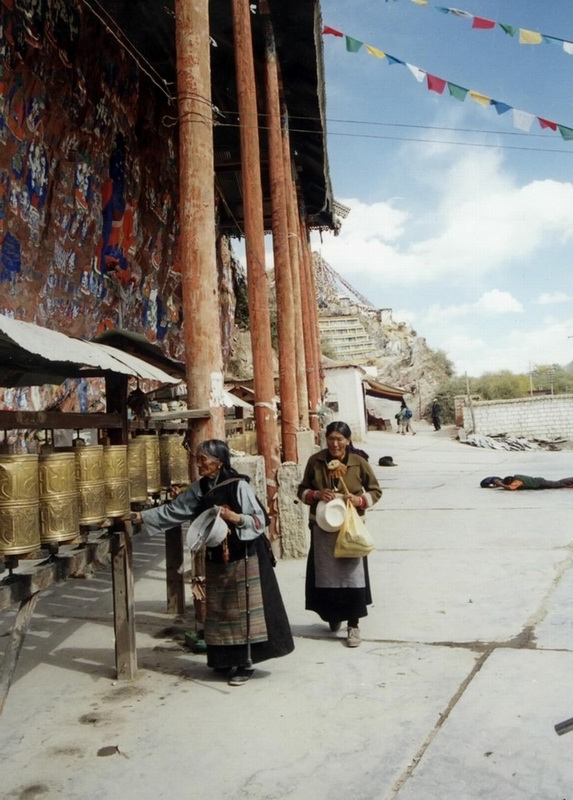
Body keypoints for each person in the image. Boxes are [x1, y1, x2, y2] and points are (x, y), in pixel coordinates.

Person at [131, 438, 294, 686]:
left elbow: (260, 520)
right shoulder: (200, 488)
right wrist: (140, 516)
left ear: (219, 462)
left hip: (245, 555)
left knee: (245, 613)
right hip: (218, 555)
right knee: (220, 611)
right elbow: (174, 510)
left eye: (203, 460)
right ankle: (224, 660)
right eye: (197, 459)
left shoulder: (239, 486)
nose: (199, 464)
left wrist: (235, 517)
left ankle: (245, 663)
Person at [297, 421, 382, 648]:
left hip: (350, 528)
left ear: (348, 440)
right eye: (331, 439)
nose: (335, 444)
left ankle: (353, 626)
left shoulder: (358, 463)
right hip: (323, 528)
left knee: (352, 577)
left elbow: (375, 490)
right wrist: (316, 494)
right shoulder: (316, 462)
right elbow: (301, 490)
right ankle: (333, 616)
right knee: (328, 576)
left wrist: (359, 500)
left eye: (340, 439)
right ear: (326, 439)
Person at [480, 474, 573, 490]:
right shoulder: (516, 477)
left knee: (558, 483)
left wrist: (500, 484)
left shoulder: (517, 482)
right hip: (539, 481)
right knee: (559, 485)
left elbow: (510, 488)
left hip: (540, 483)